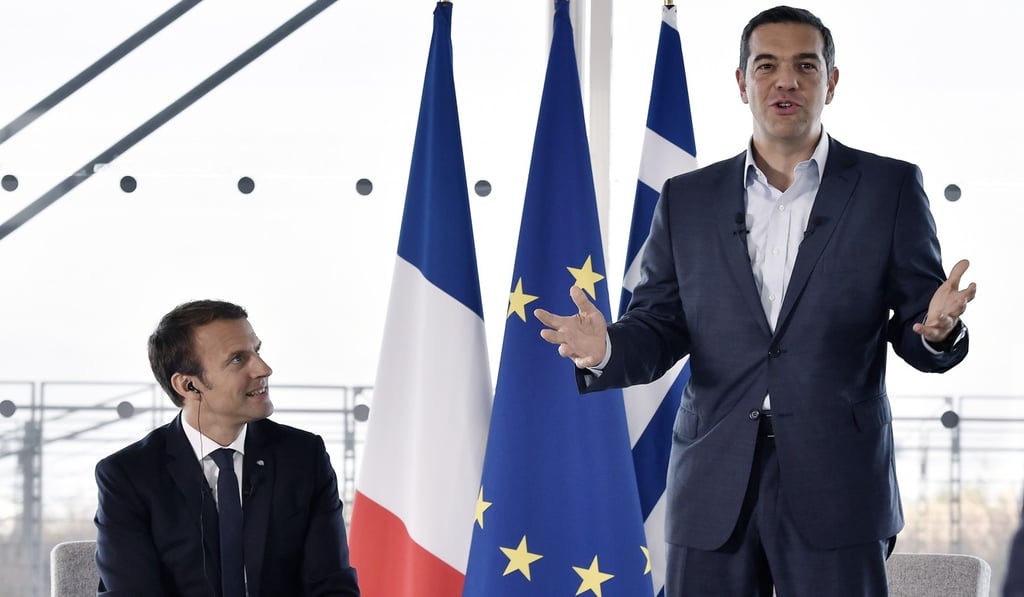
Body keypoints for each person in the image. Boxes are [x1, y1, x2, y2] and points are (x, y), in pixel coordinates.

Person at [536, 6, 976, 596]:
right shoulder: (687, 199)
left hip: (840, 482)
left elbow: (919, 319)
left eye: (805, 66)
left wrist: (938, 330)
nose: (785, 81)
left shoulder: (889, 188)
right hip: (714, 481)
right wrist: (606, 347)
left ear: (832, 81)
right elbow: (661, 326)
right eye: (766, 66)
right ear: (742, 83)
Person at [94, 300, 360, 596]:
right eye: (237, 359)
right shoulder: (127, 475)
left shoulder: (304, 456)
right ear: (188, 385)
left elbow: (333, 587)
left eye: (257, 351)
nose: (263, 368)